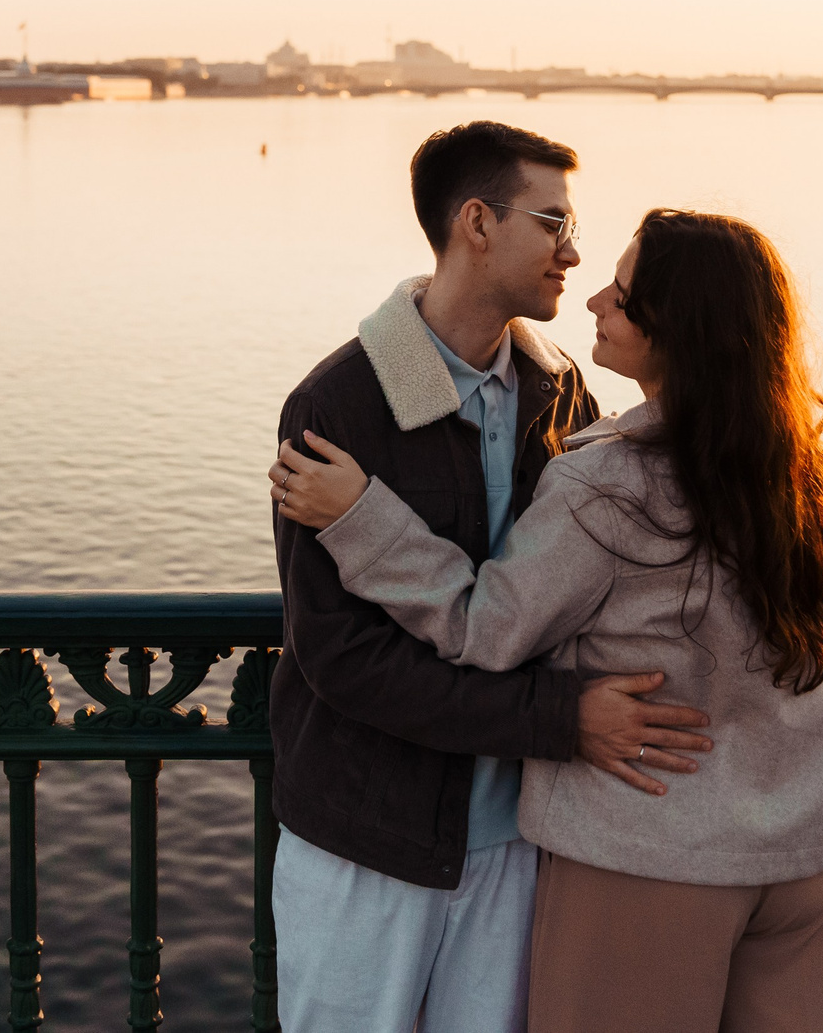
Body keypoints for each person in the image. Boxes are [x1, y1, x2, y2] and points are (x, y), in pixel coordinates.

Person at [272, 207, 823, 1033]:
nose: (591, 293)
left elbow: (485, 627)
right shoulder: (797, 472)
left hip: (655, 854)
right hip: (800, 864)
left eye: (622, 296)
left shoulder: (611, 480)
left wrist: (363, 517)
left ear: (677, 329)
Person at [267, 124, 718, 1033]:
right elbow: (341, 657)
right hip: (368, 847)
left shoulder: (562, 394)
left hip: (520, 843)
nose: (574, 250)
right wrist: (558, 719)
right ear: (477, 221)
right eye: (552, 221)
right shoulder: (338, 406)